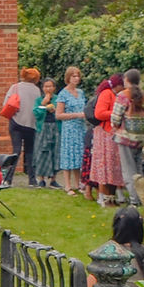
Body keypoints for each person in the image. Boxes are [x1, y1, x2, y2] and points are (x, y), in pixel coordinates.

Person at [113, 69, 144, 218]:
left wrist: (115, 127)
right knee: (138, 170)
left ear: (127, 80)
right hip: (140, 138)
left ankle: (134, 201)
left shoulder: (123, 95)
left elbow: (116, 118)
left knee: (128, 171)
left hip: (126, 137)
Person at [90, 74, 126, 207]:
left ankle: (113, 195)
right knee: (104, 165)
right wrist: (117, 112)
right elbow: (99, 113)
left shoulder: (114, 94)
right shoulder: (106, 94)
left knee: (113, 164)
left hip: (112, 133)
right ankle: (102, 196)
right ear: (119, 85)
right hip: (105, 133)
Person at [1, 67, 41, 186]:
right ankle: (32, 180)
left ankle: (8, 179)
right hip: (31, 124)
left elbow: (5, 103)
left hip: (16, 122)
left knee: (16, 151)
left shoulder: (15, 87)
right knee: (30, 152)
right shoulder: (37, 90)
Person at [53, 67, 89, 195]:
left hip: (81, 127)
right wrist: (76, 115)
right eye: (73, 76)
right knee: (68, 155)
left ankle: (78, 183)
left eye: (78, 76)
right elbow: (58, 115)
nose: (76, 78)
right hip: (69, 128)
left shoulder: (81, 92)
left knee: (79, 155)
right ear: (68, 78)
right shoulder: (63, 94)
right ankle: (67, 185)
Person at [31, 78, 61, 187]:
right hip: (43, 128)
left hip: (55, 127)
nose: (48, 89)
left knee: (55, 151)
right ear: (42, 88)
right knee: (42, 152)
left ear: (54, 88)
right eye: (46, 86)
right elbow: (36, 114)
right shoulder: (39, 100)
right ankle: (41, 179)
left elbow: (62, 112)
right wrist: (43, 105)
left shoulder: (58, 99)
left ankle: (53, 179)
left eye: (50, 86)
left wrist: (55, 110)